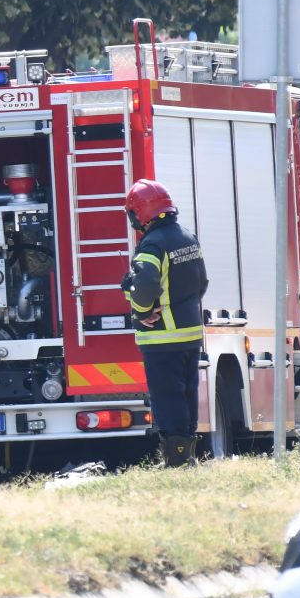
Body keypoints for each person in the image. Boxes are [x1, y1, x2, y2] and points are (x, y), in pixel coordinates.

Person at [122, 179, 207, 465]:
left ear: (140, 214)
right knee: (186, 394)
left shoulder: (152, 244)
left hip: (162, 337)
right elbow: (201, 282)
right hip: (190, 334)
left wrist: (142, 312)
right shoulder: (187, 237)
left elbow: (144, 285)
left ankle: (176, 459)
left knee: (167, 398)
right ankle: (187, 454)